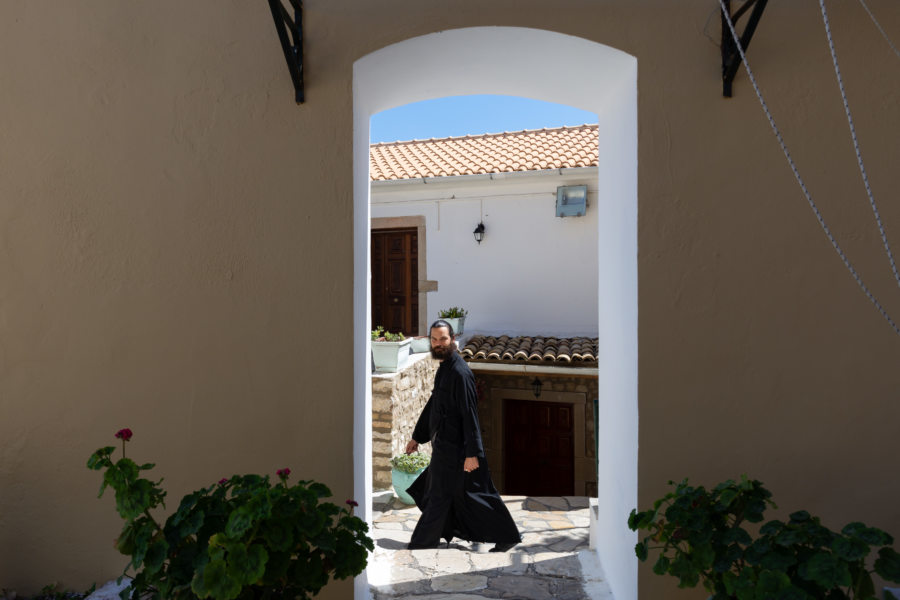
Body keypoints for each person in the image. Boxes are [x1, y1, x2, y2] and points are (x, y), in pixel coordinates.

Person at [404, 319, 521, 551]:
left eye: (443, 339)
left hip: (457, 450)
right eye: (434, 339)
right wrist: (417, 436)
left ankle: (422, 543)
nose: (438, 344)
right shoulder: (444, 368)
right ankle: (504, 536)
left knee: (446, 494)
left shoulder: (460, 373)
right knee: (453, 494)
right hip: (444, 447)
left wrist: (472, 453)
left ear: (453, 339)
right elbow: (433, 405)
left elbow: (470, 415)